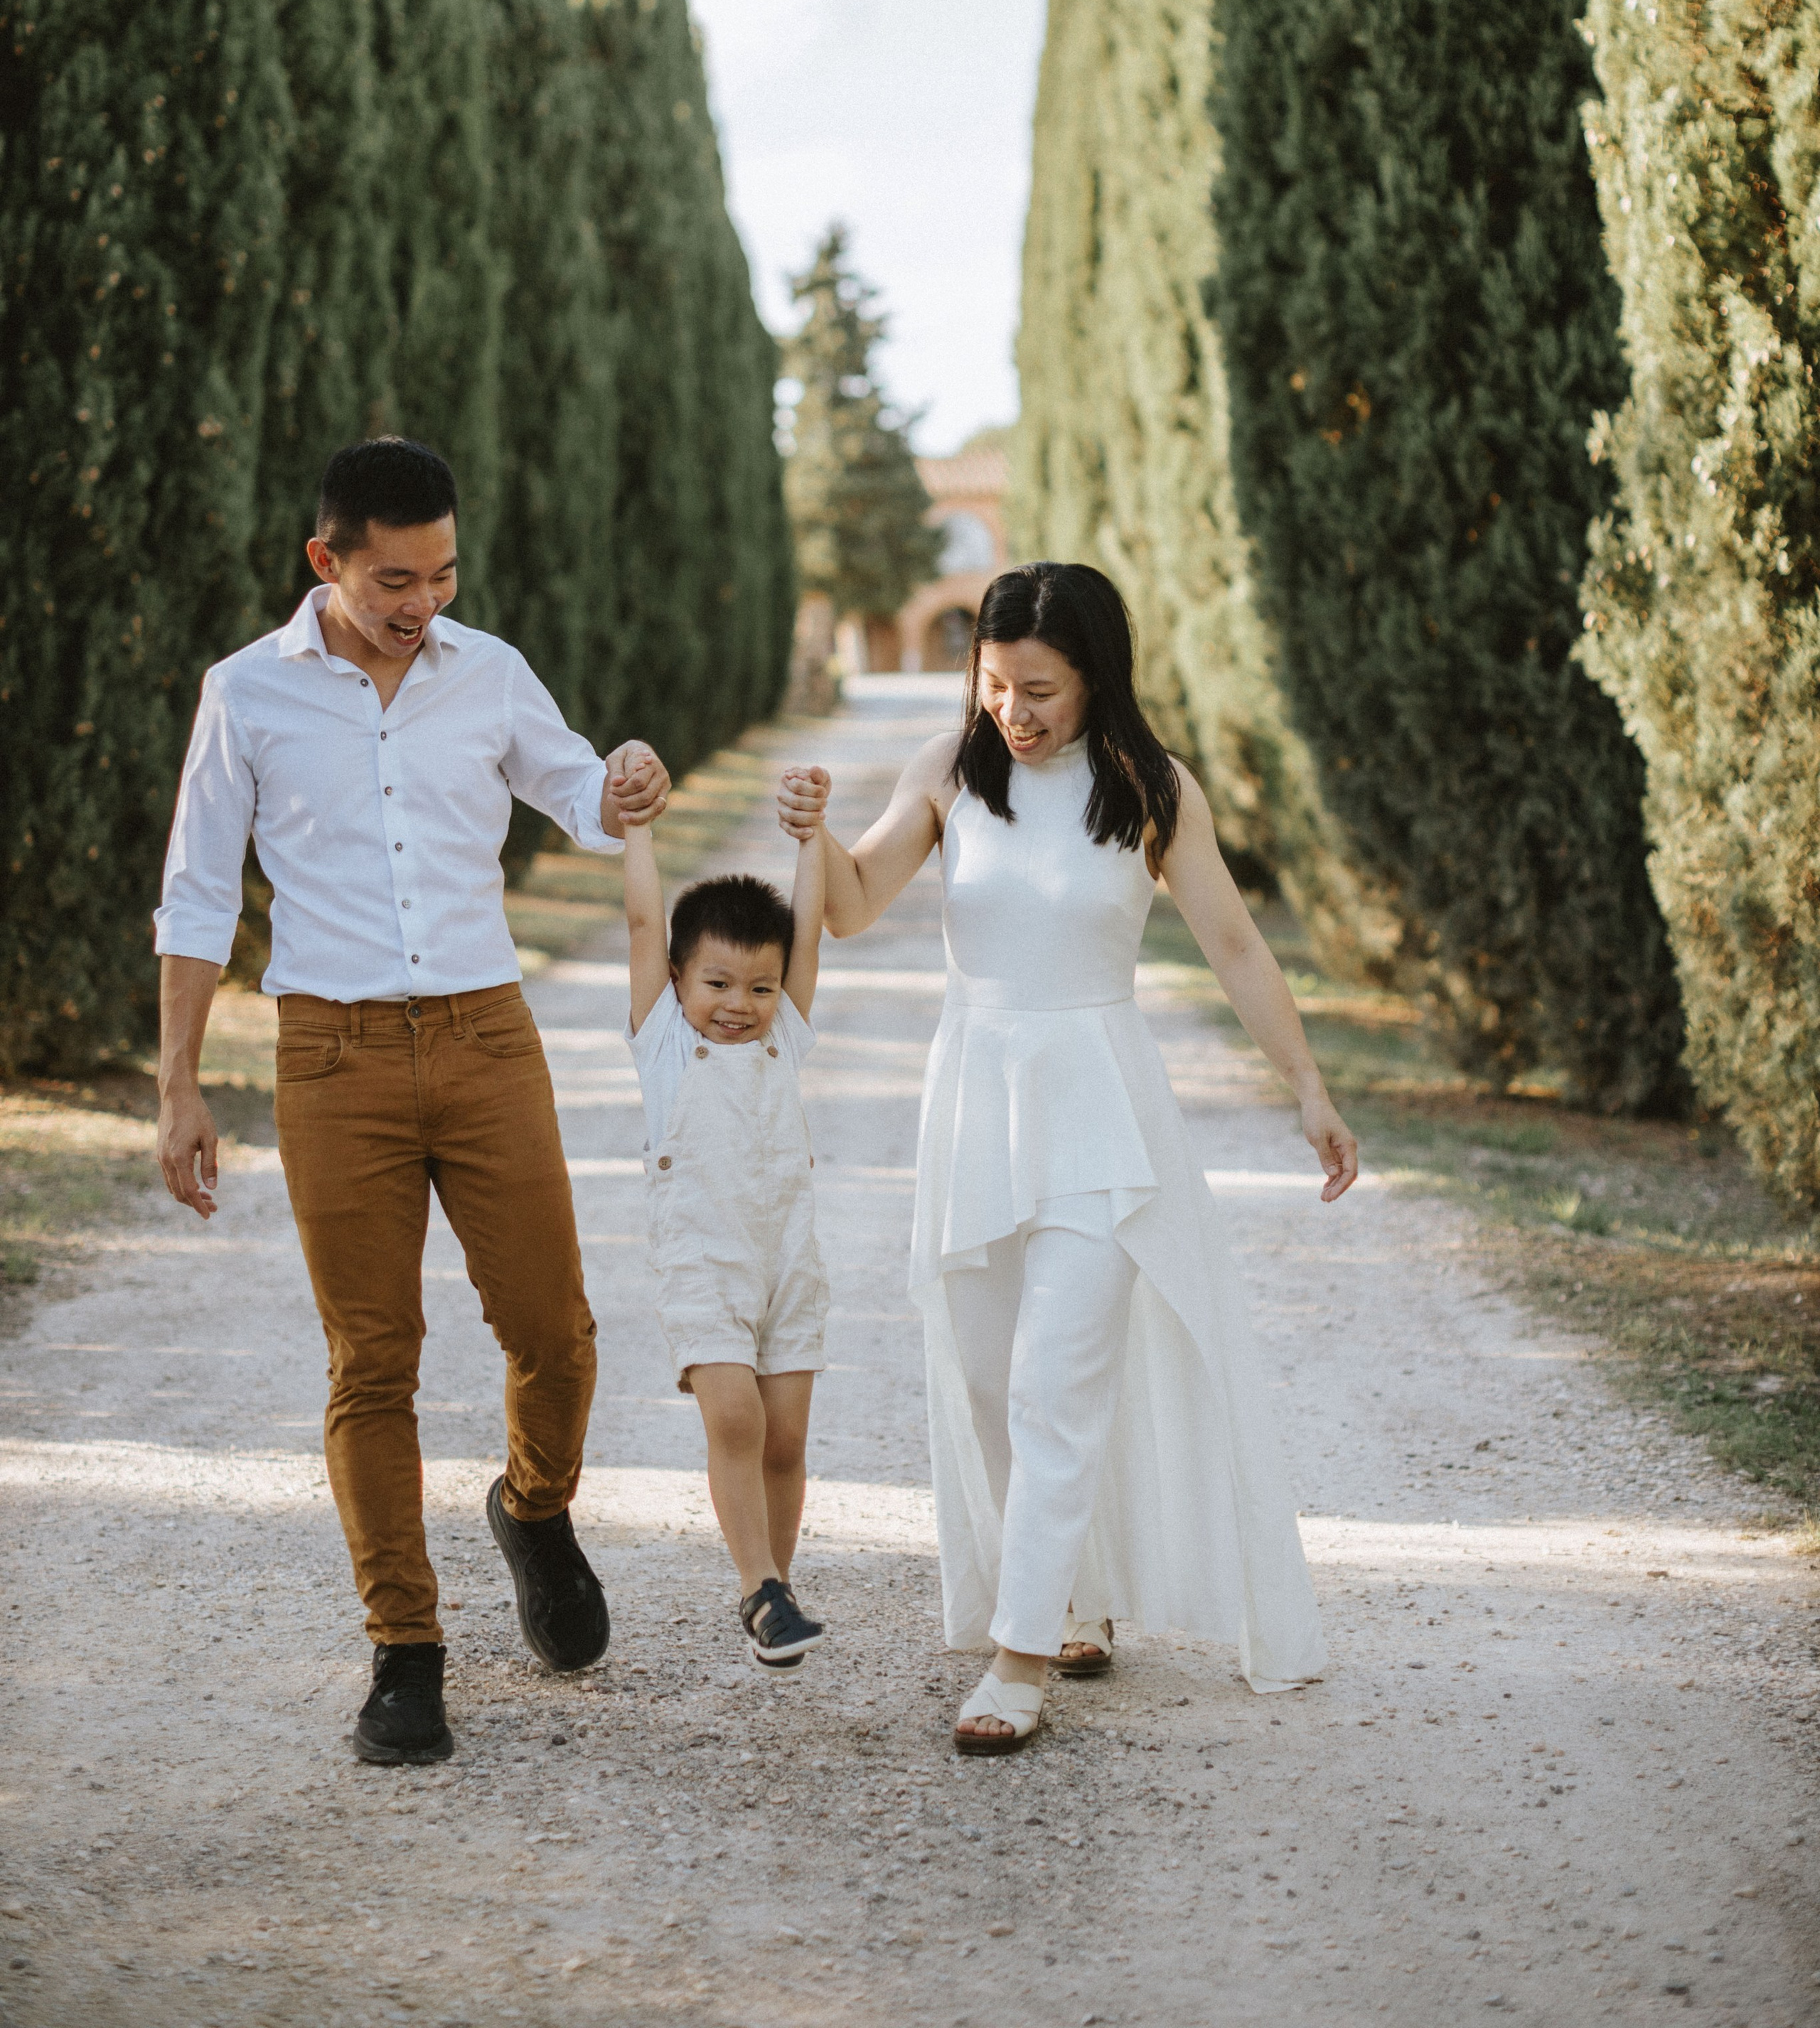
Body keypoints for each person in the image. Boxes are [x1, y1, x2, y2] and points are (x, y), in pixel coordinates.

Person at [779, 562, 1358, 1755]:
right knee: (993, 1381)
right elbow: (848, 905)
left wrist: (1308, 1085)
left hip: (1100, 1112)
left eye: (1040, 688)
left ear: (1098, 676)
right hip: (974, 1102)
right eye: (994, 684)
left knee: (1054, 1381)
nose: (1015, 711)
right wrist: (811, 836)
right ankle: (1072, 1596)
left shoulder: (1148, 786)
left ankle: (1019, 1659)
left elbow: (1237, 945)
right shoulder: (947, 774)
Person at [154, 436, 670, 1767]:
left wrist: (626, 780)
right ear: (325, 560)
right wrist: (179, 1089)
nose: (422, 601)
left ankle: (534, 1510)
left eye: (443, 574)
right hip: (332, 1060)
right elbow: (202, 896)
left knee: (554, 1327)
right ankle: (406, 1649)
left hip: (489, 1038)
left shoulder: (486, 672)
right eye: (394, 578)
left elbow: (579, 794)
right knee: (371, 1361)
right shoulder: (246, 697)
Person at [621, 789, 833, 1670]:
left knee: (785, 1439)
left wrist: (812, 837)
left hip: (788, 1259)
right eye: (715, 983)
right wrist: (637, 829)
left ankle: (776, 1584)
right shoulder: (664, 1042)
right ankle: (758, 1587)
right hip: (701, 1260)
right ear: (676, 981)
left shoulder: (787, 1034)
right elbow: (640, 920)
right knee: (737, 1420)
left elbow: (811, 930)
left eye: (759, 986)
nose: (738, 1004)